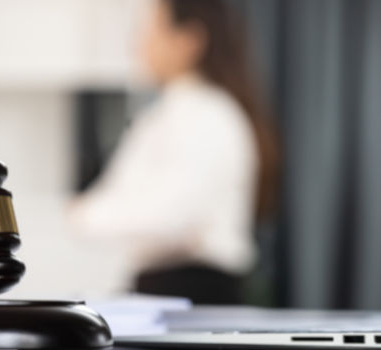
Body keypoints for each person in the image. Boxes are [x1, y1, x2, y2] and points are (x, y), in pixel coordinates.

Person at [69, 0, 278, 304]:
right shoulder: (167, 114)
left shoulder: (206, 115)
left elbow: (171, 215)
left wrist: (82, 215)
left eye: (151, 29)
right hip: (165, 288)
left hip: (193, 294)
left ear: (188, 40)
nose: (139, 42)